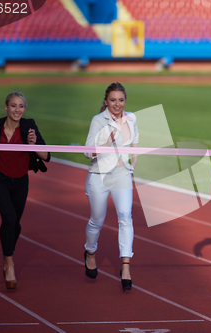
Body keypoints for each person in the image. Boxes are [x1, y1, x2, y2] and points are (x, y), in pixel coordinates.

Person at [0, 92, 50, 290]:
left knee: (15, 225)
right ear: (6, 107)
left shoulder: (29, 126)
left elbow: (46, 155)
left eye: (21, 106)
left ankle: (7, 253)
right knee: (9, 217)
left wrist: (33, 145)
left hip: (21, 182)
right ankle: (9, 262)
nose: (17, 110)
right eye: (13, 106)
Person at [83, 82, 139, 291]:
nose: (117, 104)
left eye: (121, 100)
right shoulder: (98, 120)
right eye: (113, 100)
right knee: (97, 220)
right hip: (99, 175)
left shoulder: (132, 118)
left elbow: (135, 142)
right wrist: (105, 144)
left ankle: (125, 266)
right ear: (106, 101)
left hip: (122, 174)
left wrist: (132, 164)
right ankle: (89, 251)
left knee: (125, 216)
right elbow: (88, 151)